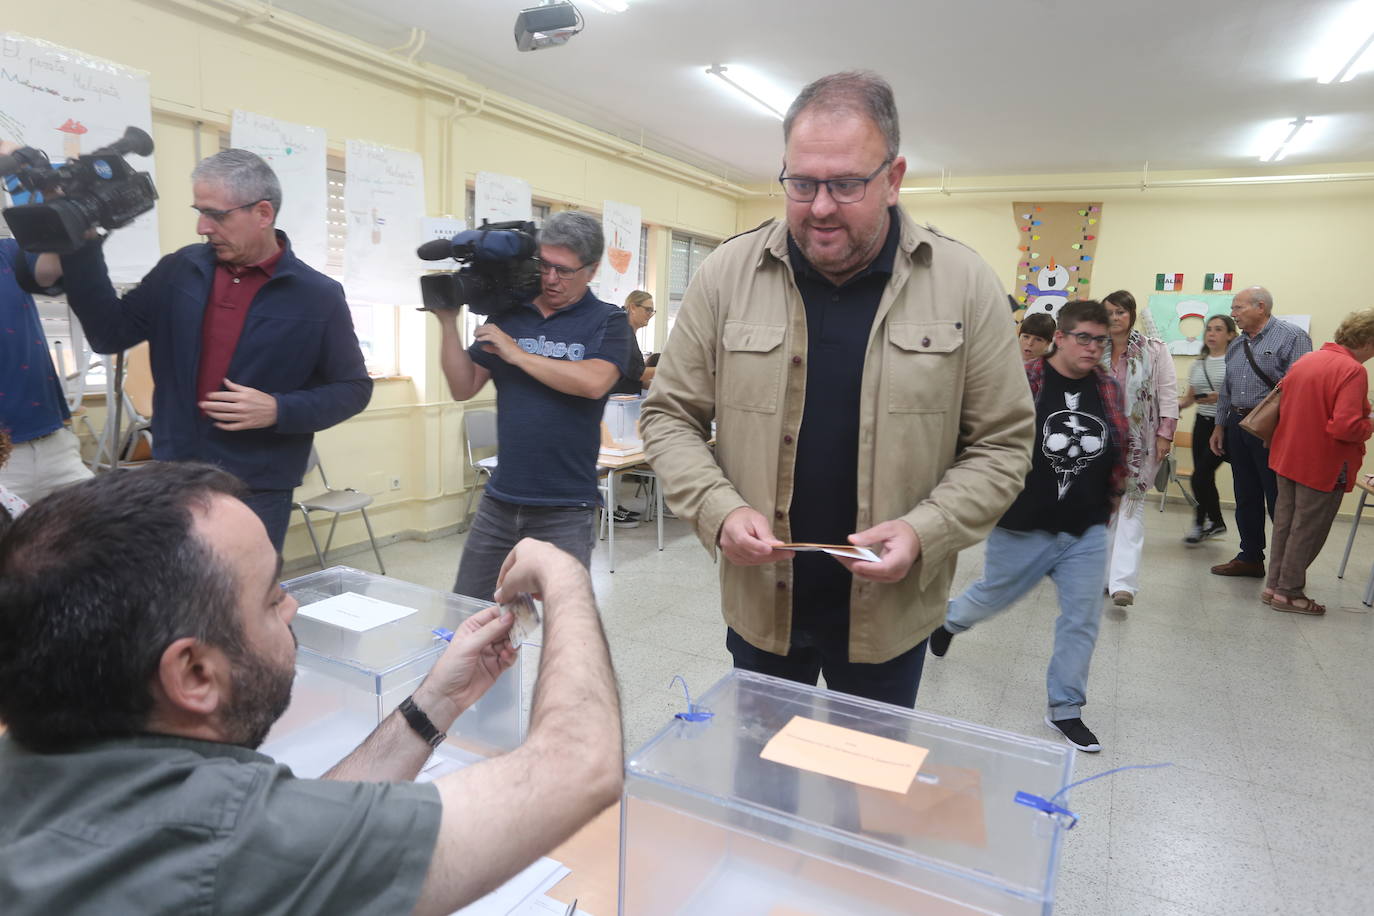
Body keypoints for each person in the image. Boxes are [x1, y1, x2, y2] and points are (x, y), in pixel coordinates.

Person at [0, 463, 623, 916]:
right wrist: (566, 578)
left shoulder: (41, 767)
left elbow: (297, 840)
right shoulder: (214, 847)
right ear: (193, 675)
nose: (293, 607)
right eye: (273, 598)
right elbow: (579, 766)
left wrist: (437, 700)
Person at [640, 71, 1035, 708]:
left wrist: (926, 531)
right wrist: (718, 510)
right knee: (761, 783)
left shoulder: (964, 284)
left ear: (894, 177)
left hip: (889, 615)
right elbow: (669, 417)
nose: (820, 205)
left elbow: (1003, 445)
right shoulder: (726, 276)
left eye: (846, 184)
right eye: (802, 182)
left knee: (865, 798)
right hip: (761, 603)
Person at [58, 149, 372, 551]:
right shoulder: (179, 269)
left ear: (263, 213)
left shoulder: (318, 296)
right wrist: (83, 252)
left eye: (216, 215)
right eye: (199, 211)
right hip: (178, 474)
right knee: (178, 596)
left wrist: (279, 409)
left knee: (247, 601)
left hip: (259, 486)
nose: (202, 227)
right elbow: (109, 334)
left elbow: (353, 387)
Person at [932, 300, 1127, 752]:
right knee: (993, 595)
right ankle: (947, 621)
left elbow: (1118, 444)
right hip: (1024, 522)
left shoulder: (1110, 388)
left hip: (1085, 527)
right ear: (1060, 337)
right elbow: (981, 440)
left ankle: (1065, 708)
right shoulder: (1023, 380)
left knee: (1081, 619)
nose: (1093, 348)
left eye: (1101, 340)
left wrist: (1112, 498)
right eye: (1084, 338)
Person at [436, 211, 632, 601]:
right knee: (470, 612)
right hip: (501, 499)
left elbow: (594, 383)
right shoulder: (510, 314)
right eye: (544, 265)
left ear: (591, 270)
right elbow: (462, 386)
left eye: (564, 270)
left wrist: (517, 354)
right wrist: (446, 323)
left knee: (566, 623)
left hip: (565, 507)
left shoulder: (608, 321)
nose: (550, 279)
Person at [1261, 310, 1374, 614]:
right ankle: (1289, 593)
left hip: (1287, 457)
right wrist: (1370, 421)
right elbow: (1346, 427)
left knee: (1285, 525)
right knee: (1308, 529)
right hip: (1323, 464)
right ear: (1368, 340)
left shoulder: (1307, 360)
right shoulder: (1352, 371)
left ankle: (1274, 586)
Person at [0, 141, 93, 504]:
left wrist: (46, 186)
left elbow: (51, 268)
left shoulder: (7, 253)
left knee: (102, 544)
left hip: (53, 442)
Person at [1209, 287, 1312, 577]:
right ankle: (1250, 557)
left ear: (1261, 307)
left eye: (1239, 308)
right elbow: (1227, 390)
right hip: (1239, 427)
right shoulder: (1236, 344)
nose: (1233, 314)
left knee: (1278, 499)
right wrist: (1220, 426)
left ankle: (1286, 566)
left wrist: (1290, 432)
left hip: (1273, 431)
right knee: (1246, 495)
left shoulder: (1292, 337)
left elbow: (1301, 389)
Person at [1100, 290, 1178, 606]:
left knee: (1132, 506)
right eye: (1108, 312)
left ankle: (1123, 584)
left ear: (1131, 315)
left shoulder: (1154, 350)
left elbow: (1168, 394)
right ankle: (1101, 577)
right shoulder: (1094, 348)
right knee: (1102, 510)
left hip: (1139, 442)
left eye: (1120, 312)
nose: (1114, 318)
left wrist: (1165, 435)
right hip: (1101, 441)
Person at [1178, 315, 1238, 544]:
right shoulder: (1199, 363)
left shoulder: (1234, 362)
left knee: (1200, 476)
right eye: (1209, 329)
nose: (1212, 333)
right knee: (1204, 477)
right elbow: (1189, 398)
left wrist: (1219, 397)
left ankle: (1211, 521)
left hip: (1225, 426)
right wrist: (1169, 407)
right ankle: (1204, 523)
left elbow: (1242, 396)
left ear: (1231, 335)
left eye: (1219, 329)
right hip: (1202, 424)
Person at [611, 289, 657, 394]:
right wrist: (665, 369)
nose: (650, 315)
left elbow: (633, 378)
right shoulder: (622, 333)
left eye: (652, 311)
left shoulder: (627, 334)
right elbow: (637, 373)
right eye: (648, 310)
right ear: (632, 308)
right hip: (617, 401)